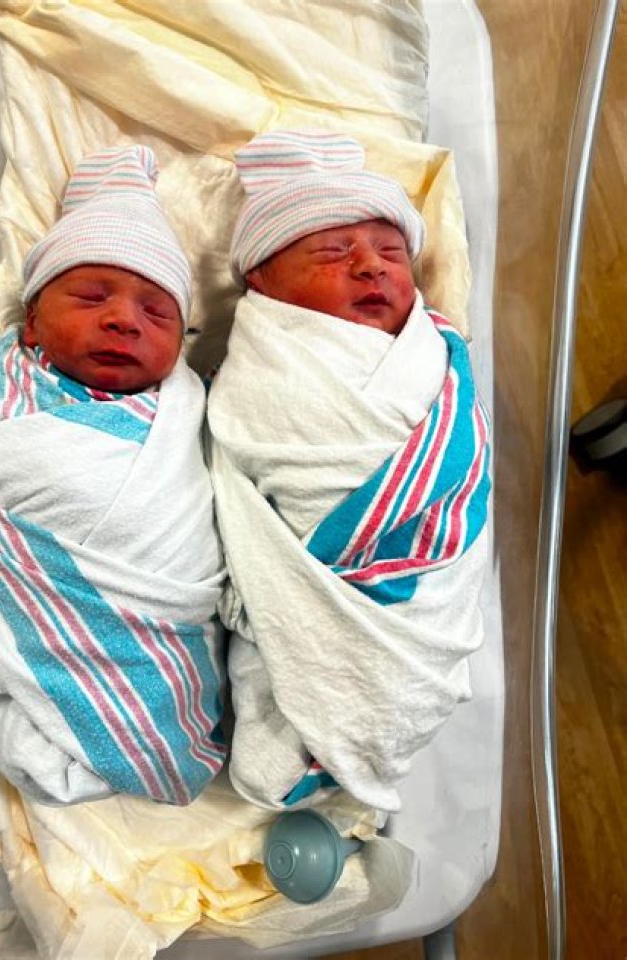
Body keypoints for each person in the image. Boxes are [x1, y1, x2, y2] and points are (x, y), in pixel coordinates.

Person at [208, 128, 491, 812]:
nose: (372, 268)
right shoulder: (269, 369)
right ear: (261, 282)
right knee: (286, 654)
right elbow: (243, 447)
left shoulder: (431, 354)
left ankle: (334, 722)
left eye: (392, 253)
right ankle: (321, 724)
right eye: (333, 253)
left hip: (414, 590)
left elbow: (461, 459)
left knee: (308, 677)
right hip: (308, 577)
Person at [0, 145, 226, 806]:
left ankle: (145, 718)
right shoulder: (18, 405)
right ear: (31, 324)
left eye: (157, 313)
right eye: (92, 296)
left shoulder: (185, 406)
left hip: (166, 603)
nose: (123, 318)